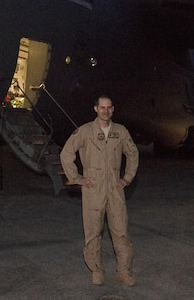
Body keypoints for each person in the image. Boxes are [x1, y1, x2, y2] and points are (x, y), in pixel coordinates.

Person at [60, 94, 139, 286]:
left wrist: (127, 178)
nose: (106, 111)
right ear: (95, 109)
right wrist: (77, 177)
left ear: (113, 109)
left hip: (114, 187)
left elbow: (133, 153)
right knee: (93, 232)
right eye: (102, 107)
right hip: (93, 188)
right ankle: (96, 270)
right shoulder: (85, 131)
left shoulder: (120, 131)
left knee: (120, 232)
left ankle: (123, 271)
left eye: (109, 107)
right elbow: (66, 153)